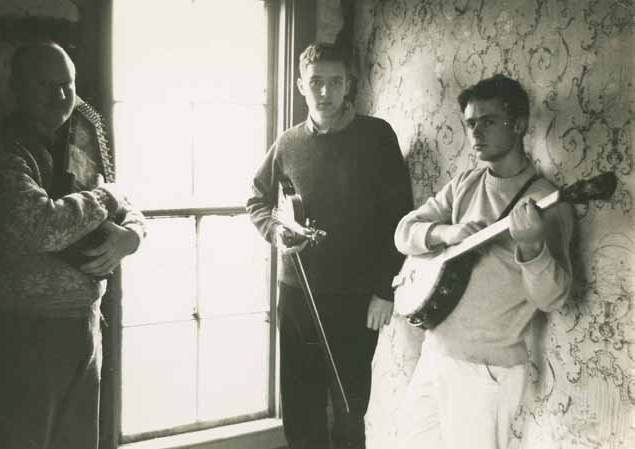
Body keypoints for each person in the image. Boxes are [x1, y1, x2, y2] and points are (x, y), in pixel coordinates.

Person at [0, 42, 145, 449]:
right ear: (18, 88)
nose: (61, 96)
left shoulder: (79, 139)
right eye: (45, 85)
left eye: (67, 84)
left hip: (84, 324)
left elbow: (126, 204)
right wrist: (105, 198)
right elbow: (41, 225)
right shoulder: (1, 148)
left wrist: (132, 236)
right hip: (26, 332)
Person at [392, 74, 574, 449]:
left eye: (488, 121)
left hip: (486, 371)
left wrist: (532, 248)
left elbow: (553, 298)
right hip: (434, 353)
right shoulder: (466, 182)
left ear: (518, 125)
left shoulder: (547, 202)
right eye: (471, 123)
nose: (476, 132)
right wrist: (446, 233)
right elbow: (403, 232)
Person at [246, 42, 413, 449]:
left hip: (356, 300)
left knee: (349, 408)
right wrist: (275, 231)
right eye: (316, 82)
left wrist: (384, 290)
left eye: (335, 82)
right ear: (300, 85)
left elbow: (400, 218)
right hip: (297, 295)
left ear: (348, 84)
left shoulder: (377, 135)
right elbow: (257, 199)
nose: (325, 92)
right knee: (300, 407)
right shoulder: (288, 142)